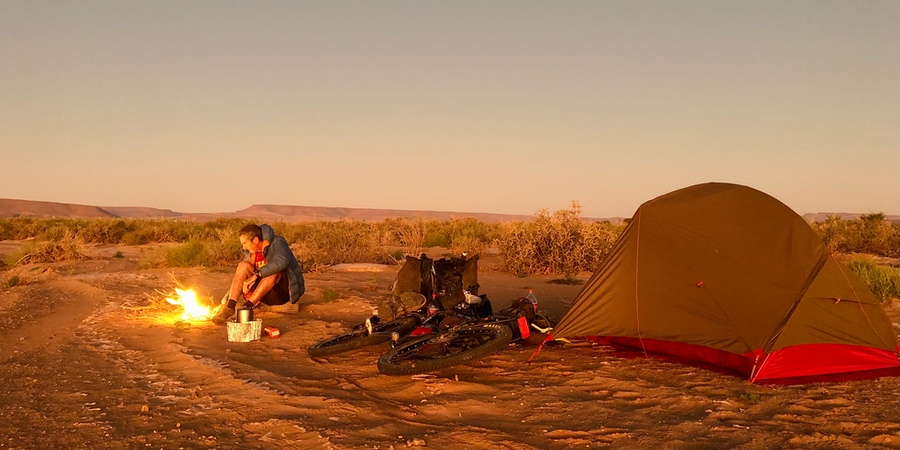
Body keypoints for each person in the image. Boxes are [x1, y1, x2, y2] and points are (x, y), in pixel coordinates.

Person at [213, 223, 305, 324]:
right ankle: (229, 308)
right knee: (243, 265)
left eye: (245, 243)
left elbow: (282, 260)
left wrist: (256, 275)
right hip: (261, 292)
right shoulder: (250, 252)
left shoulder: (277, 242)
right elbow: (239, 277)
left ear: (255, 240)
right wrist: (227, 298)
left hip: (281, 292)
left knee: (273, 271)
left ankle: (247, 307)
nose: (244, 247)